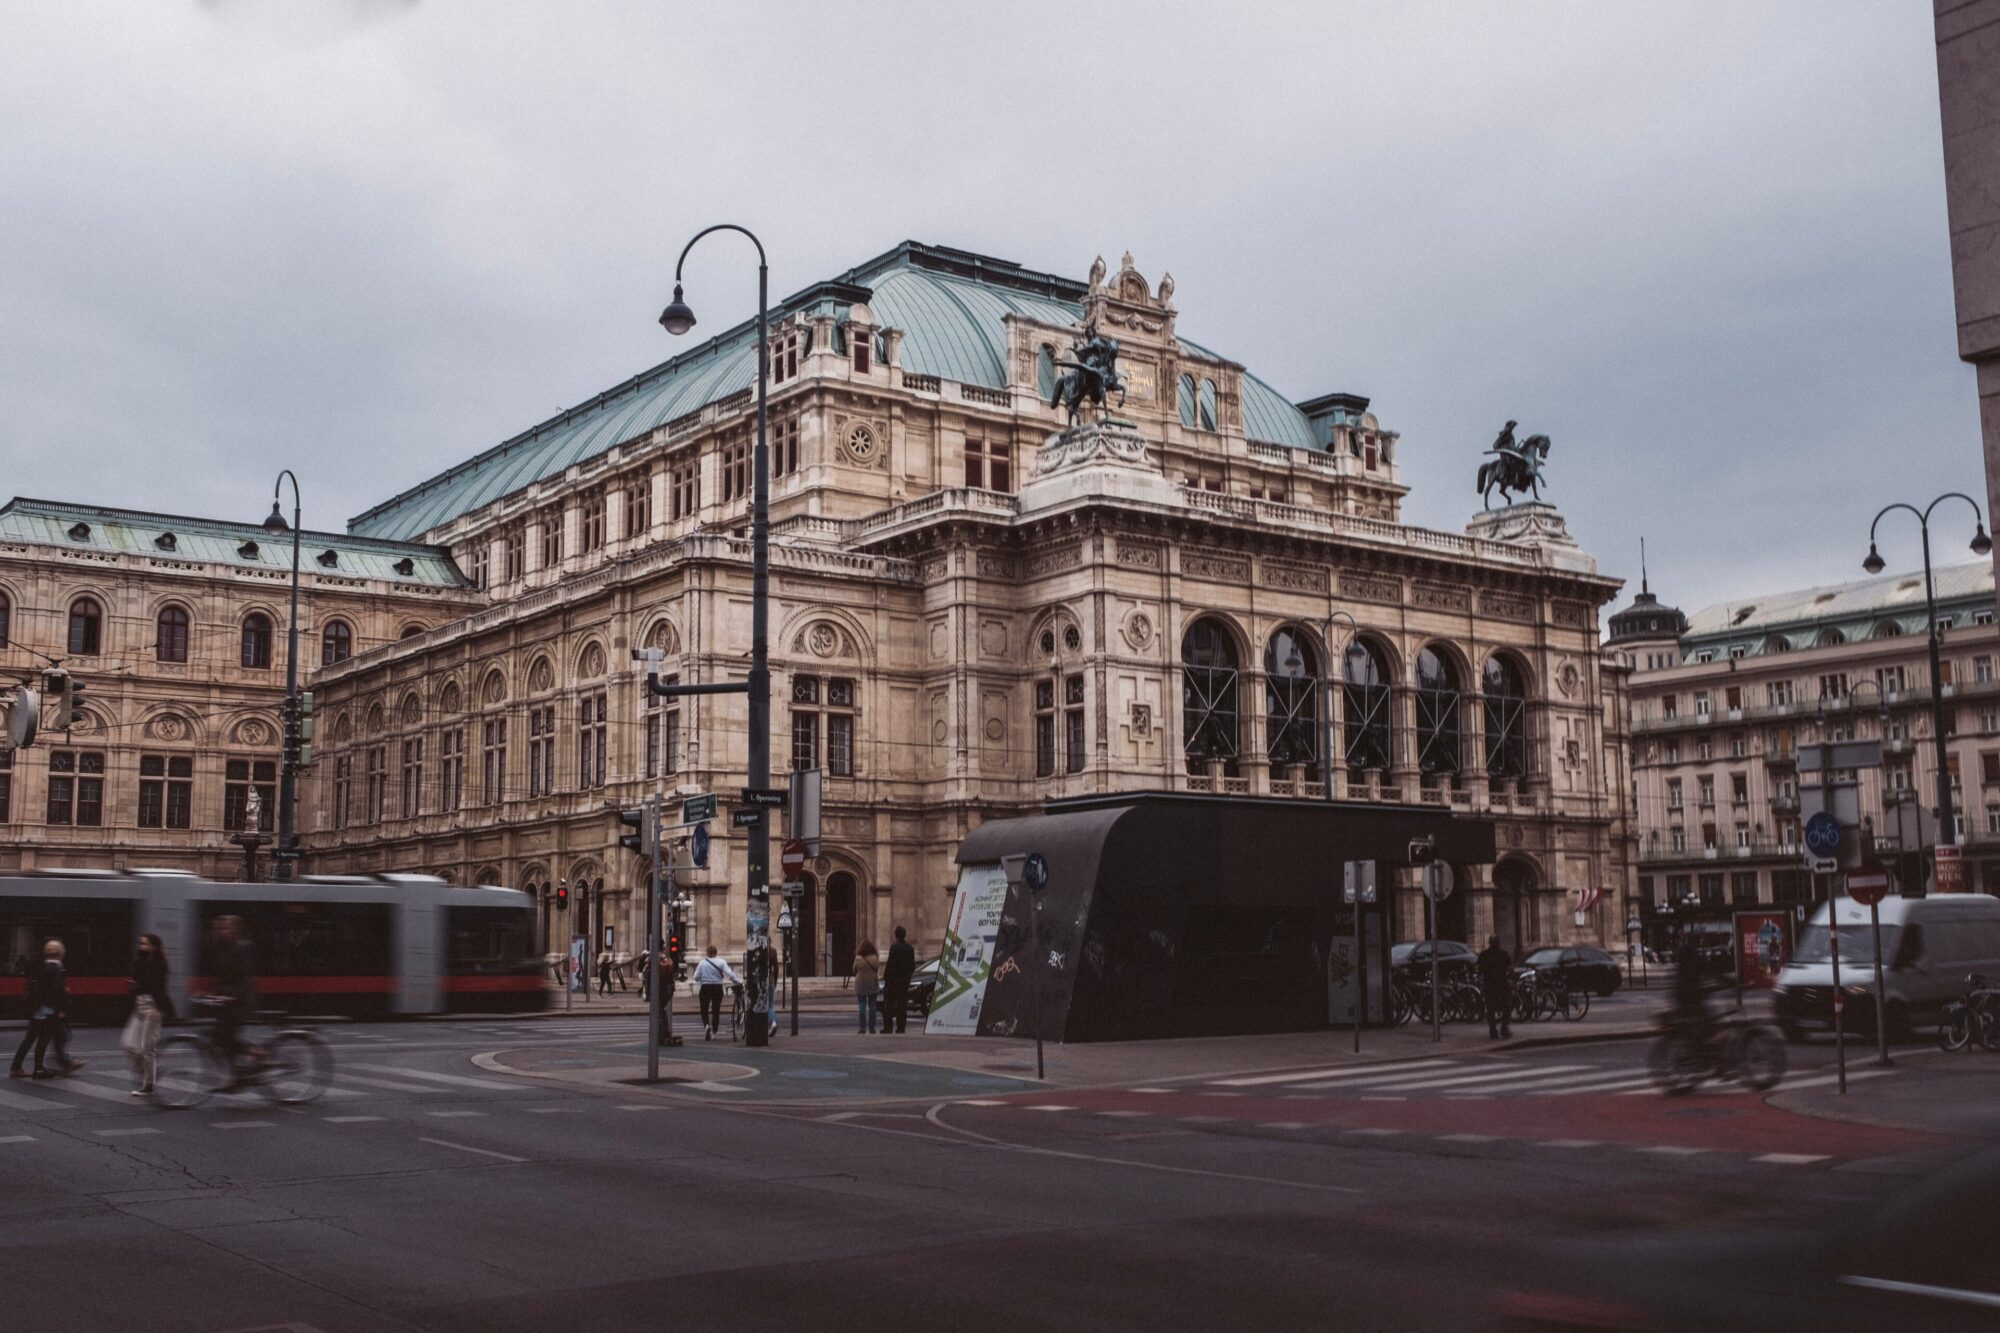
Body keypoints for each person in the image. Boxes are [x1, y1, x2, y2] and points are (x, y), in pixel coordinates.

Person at [10, 940, 84, 1079]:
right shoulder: (56, 969)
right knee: (43, 1040)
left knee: (30, 1039)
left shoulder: (41, 966)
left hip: (37, 1009)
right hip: (48, 1011)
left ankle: (16, 1067)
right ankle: (39, 1069)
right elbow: (54, 992)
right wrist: (60, 1009)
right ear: (61, 953)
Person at [207, 915, 261, 1092]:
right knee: (220, 1037)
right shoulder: (220, 948)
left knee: (225, 1036)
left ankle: (257, 1054)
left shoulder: (241, 948)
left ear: (235, 930)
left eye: (226, 928)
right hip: (227, 1002)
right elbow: (223, 978)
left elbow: (244, 979)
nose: (222, 931)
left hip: (242, 1001)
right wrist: (210, 993)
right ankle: (237, 1075)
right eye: (220, 928)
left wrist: (231, 996)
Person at [123, 933, 174, 1097]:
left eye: (144, 944)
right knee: (129, 1044)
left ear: (153, 946)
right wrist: (133, 986)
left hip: (153, 1007)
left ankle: (149, 1084)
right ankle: (151, 1073)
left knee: (147, 1048)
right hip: (139, 1005)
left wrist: (137, 986)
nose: (140, 946)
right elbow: (138, 984)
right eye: (140, 943)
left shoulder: (159, 964)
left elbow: (155, 987)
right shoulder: (138, 962)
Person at [690, 946, 742, 1040]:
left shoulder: (702, 963)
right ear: (716, 953)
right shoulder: (721, 962)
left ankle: (706, 1025)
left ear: (707, 953)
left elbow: (696, 977)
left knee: (704, 1009)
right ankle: (714, 1032)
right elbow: (729, 974)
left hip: (705, 987)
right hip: (717, 987)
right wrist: (737, 981)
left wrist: (703, 978)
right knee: (716, 1010)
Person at [1476, 934, 1514, 1040]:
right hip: (1502, 983)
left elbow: (1478, 969)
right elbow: (1510, 969)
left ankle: (1493, 1030)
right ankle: (1504, 1028)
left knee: (1490, 1008)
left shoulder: (1484, 954)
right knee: (1506, 1006)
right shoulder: (1503, 954)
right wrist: (1513, 981)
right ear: (1498, 943)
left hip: (1489, 984)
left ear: (1489, 943)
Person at [881, 925, 917, 1035]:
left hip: (893, 981)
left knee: (889, 1006)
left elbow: (890, 964)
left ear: (896, 935)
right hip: (904, 981)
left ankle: (888, 1027)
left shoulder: (894, 947)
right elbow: (912, 965)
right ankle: (901, 1027)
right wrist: (908, 977)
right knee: (902, 1006)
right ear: (904, 935)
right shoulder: (910, 948)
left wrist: (886, 978)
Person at [853, 940, 881, 1034]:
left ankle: (862, 1028)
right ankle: (872, 1028)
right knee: (872, 1005)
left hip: (860, 983)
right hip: (872, 982)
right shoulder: (875, 957)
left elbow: (854, 970)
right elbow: (877, 969)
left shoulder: (858, 958)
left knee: (862, 1005)